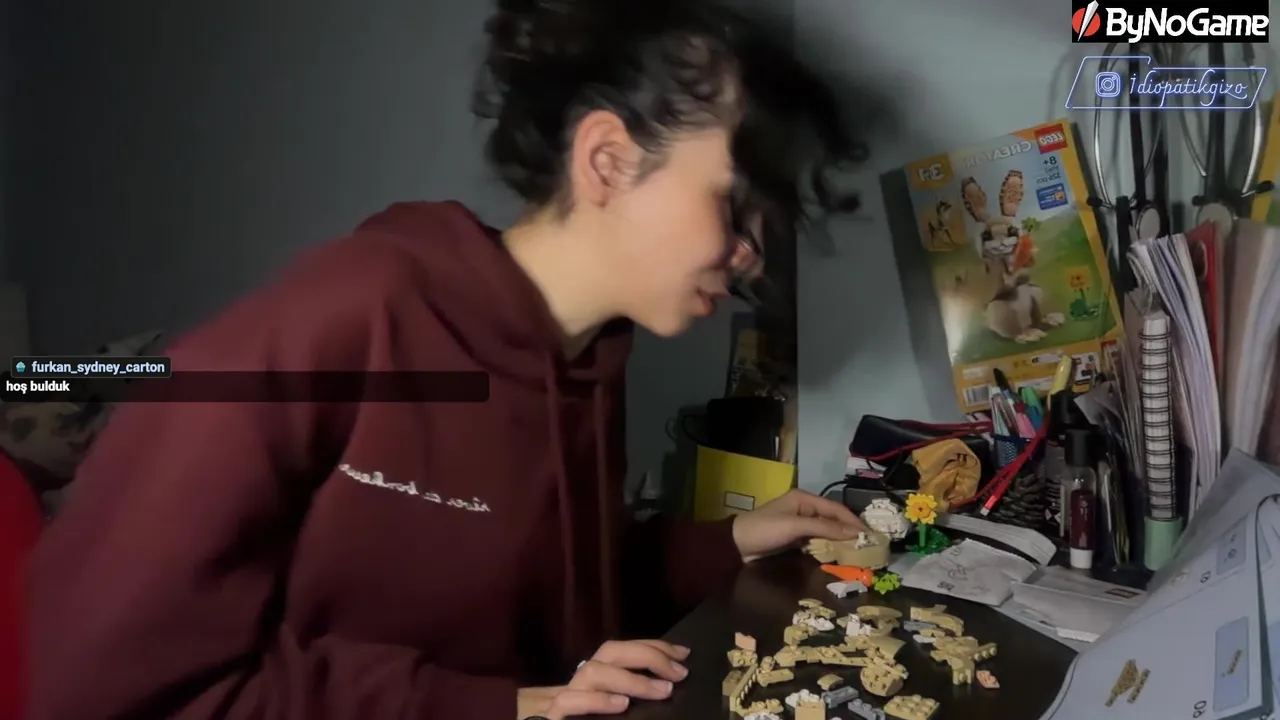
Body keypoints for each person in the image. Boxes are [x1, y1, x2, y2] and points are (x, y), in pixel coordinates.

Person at [26, 2, 868, 719]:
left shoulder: (589, 358)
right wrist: (505, 706)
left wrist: (732, 539)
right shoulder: (352, 314)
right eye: (735, 205)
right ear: (608, 161)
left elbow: (554, 593)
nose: (751, 255)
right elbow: (97, 679)